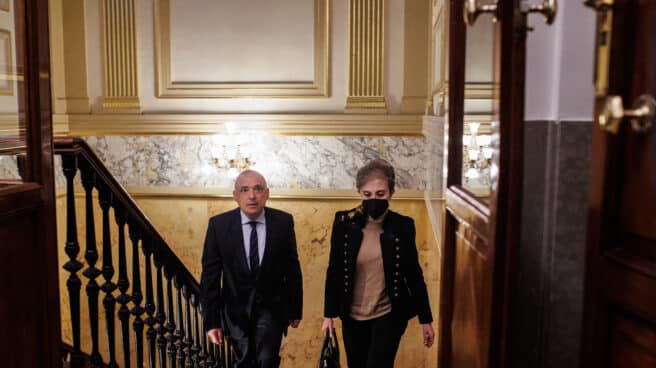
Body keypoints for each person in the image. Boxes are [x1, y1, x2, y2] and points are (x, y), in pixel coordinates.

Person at [322, 159, 435, 368]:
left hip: (389, 313)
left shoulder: (403, 226)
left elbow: (413, 274)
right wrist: (328, 315)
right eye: (367, 194)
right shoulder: (344, 222)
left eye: (380, 194)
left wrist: (425, 319)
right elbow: (334, 269)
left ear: (391, 192)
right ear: (359, 193)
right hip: (352, 315)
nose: (373, 199)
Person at [200, 170, 303, 368]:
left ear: (267, 193)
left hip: (272, 310)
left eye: (258, 189)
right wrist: (211, 321)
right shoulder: (218, 225)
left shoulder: (283, 222)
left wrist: (295, 308)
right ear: (235, 196)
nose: (252, 196)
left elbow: (292, 268)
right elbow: (210, 277)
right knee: (244, 362)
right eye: (245, 190)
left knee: (267, 360)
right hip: (234, 313)